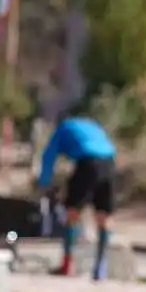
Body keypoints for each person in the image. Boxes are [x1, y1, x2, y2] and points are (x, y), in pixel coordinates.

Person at [36, 115, 117, 280]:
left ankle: (67, 265)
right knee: (103, 215)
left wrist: (44, 184)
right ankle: (100, 268)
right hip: (109, 162)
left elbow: (48, 156)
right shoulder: (93, 125)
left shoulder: (63, 128)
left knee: (72, 213)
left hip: (87, 163)